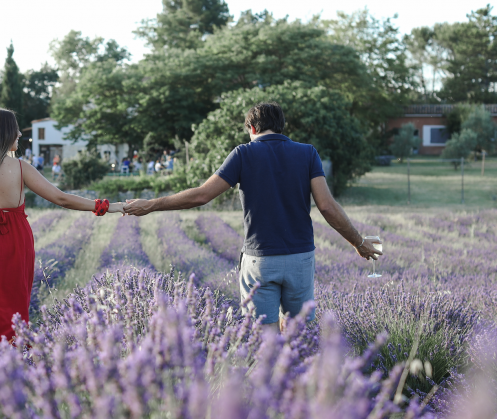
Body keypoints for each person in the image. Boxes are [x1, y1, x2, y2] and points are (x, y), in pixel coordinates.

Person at [123, 101, 381, 330]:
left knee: (264, 346)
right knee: (299, 338)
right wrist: (358, 243)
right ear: (281, 127)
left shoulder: (243, 154)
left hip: (260, 259)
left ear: (252, 127)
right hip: (300, 259)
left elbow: (202, 195)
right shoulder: (307, 153)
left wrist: (151, 204)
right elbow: (327, 206)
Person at [0, 108, 124, 359]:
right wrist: (105, 206)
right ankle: (14, 363)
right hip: (15, 243)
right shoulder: (20, 168)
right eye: (15, 129)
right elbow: (61, 198)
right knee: (13, 305)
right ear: (4, 132)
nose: (20, 133)